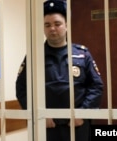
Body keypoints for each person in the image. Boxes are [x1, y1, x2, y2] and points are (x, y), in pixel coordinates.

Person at [15, 0, 103, 141]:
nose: (52, 29)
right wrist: (39, 115)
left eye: (57, 24)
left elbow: (96, 86)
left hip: (77, 125)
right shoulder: (35, 56)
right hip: (47, 126)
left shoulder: (82, 54)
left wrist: (83, 113)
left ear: (66, 25)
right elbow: (22, 88)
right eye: (47, 25)